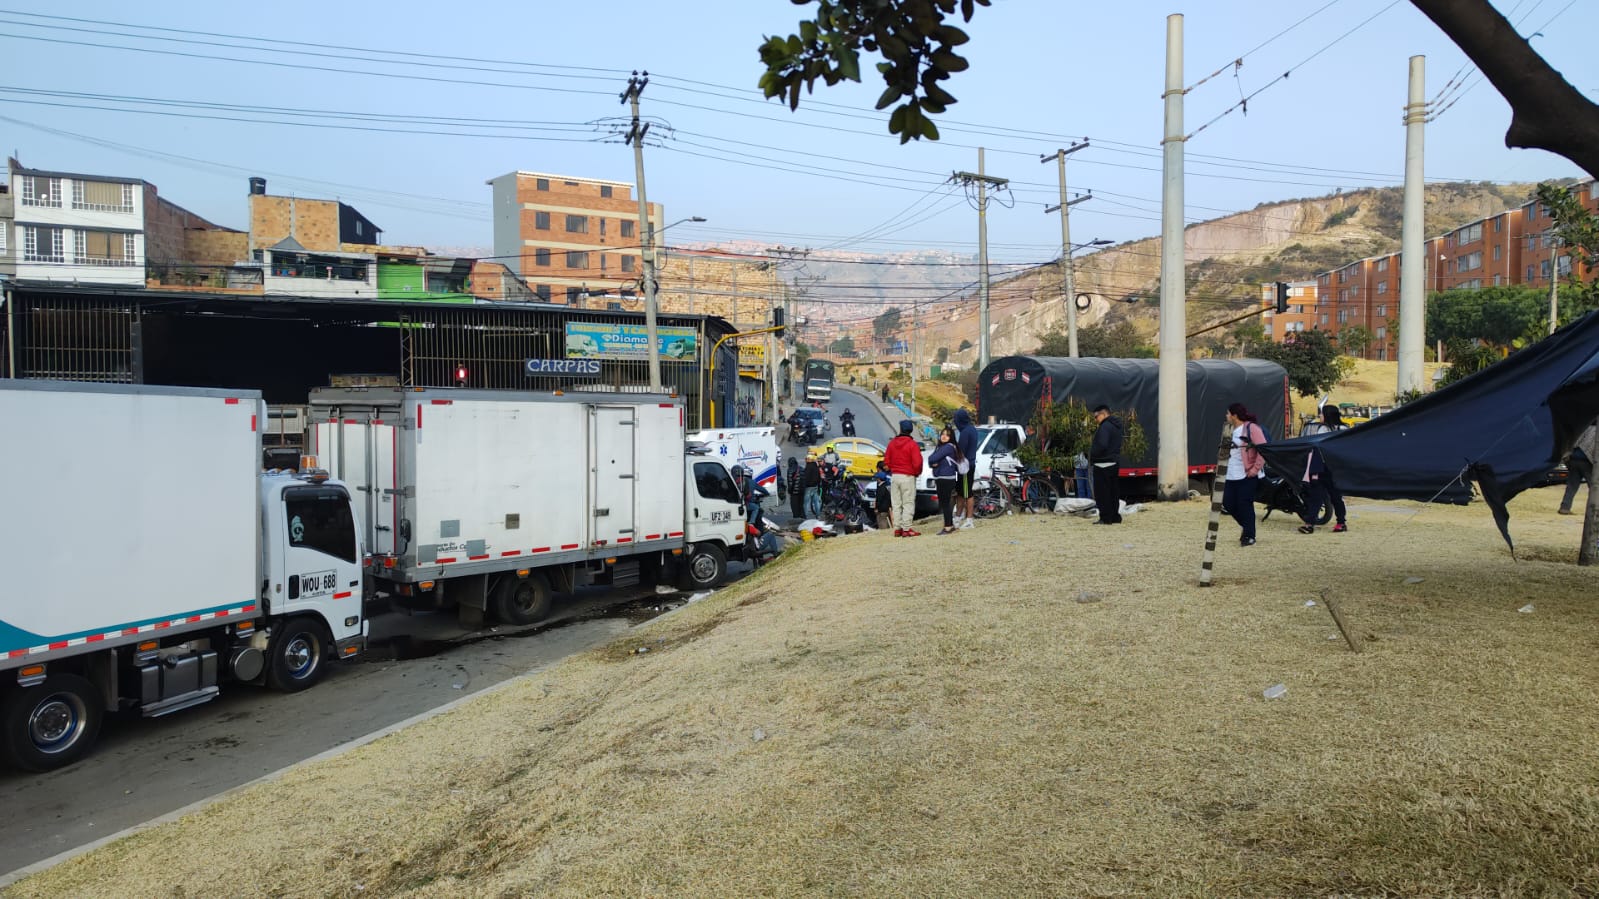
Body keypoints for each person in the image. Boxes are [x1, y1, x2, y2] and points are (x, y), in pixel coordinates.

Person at [1224, 402, 1269, 546]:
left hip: (1247, 474)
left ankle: (1250, 536)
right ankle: (1247, 525)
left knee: (1245, 504)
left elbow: (1263, 449)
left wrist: (1254, 469)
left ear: (1234, 415)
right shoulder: (1228, 430)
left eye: (1228, 413)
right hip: (1230, 474)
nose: (1226, 416)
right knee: (1228, 503)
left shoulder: (1251, 428)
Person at [1298, 405, 1348, 534]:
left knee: (1333, 496)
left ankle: (1340, 522)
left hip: (1329, 467)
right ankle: (1310, 523)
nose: (1320, 416)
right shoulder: (1343, 429)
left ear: (1327, 415)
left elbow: (1318, 447)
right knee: (1319, 496)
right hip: (1327, 467)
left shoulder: (1328, 429)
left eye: (1321, 414)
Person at [884, 419, 925, 537]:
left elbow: (886, 461)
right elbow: (917, 463)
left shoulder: (892, 443)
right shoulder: (913, 445)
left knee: (896, 503)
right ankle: (906, 528)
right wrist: (916, 473)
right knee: (908, 502)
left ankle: (897, 528)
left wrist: (892, 467)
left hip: (895, 476)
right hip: (908, 476)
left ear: (901, 429)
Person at [1089, 404, 1124, 525]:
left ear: (1103, 414)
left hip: (1102, 463)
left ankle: (1105, 518)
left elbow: (1102, 445)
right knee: (1113, 492)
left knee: (1102, 493)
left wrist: (1092, 453)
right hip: (1114, 462)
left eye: (1096, 416)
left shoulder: (1104, 427)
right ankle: (1115, 516)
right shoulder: (1117, 426)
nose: (1095, 420)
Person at [928, 427, 962, 534]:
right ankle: (949, 525)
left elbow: (931, 459)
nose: (944, 436)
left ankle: (948, 526)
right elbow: (931, 462)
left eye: (947, 435)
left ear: (951, 437)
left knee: (945, 503)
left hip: (945, 478)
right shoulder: (941, 447)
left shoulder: (948, 447)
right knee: (945, 503)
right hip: (942, 477)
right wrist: (934, 462)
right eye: (942, 434)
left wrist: (934, 461)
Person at [1560, 419, 1596, 515]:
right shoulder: (1595, 432)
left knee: (1571, 486)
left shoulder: (1584, 428)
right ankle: (1593, 510)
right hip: (1586, 461)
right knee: (1594, 488)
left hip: (1574, 459)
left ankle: (1564, 507)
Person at [953, 408, 980, 529]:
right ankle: (958, 517)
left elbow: (961, 451)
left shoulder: (965, 432)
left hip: (965, 467)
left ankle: (969, 520)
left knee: (967, 492)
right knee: (961, 492)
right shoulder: (972, 429)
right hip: (970, 464)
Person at [872, 460, 893, 530]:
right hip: (890, 503)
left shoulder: (881, 485)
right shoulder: (889, 476)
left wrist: (876, 507)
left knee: (882, 522)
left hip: (883, 507)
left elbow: (879, 497)